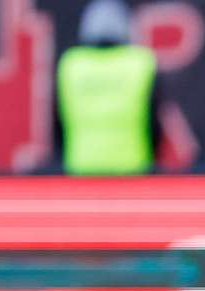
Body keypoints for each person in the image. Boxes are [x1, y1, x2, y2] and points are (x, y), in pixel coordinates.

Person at [56, 0, 160, 175]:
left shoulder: (72, 64)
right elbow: (154, 120)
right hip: (133, 166)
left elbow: (58, 121)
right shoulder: (140, 62)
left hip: (81, 166)